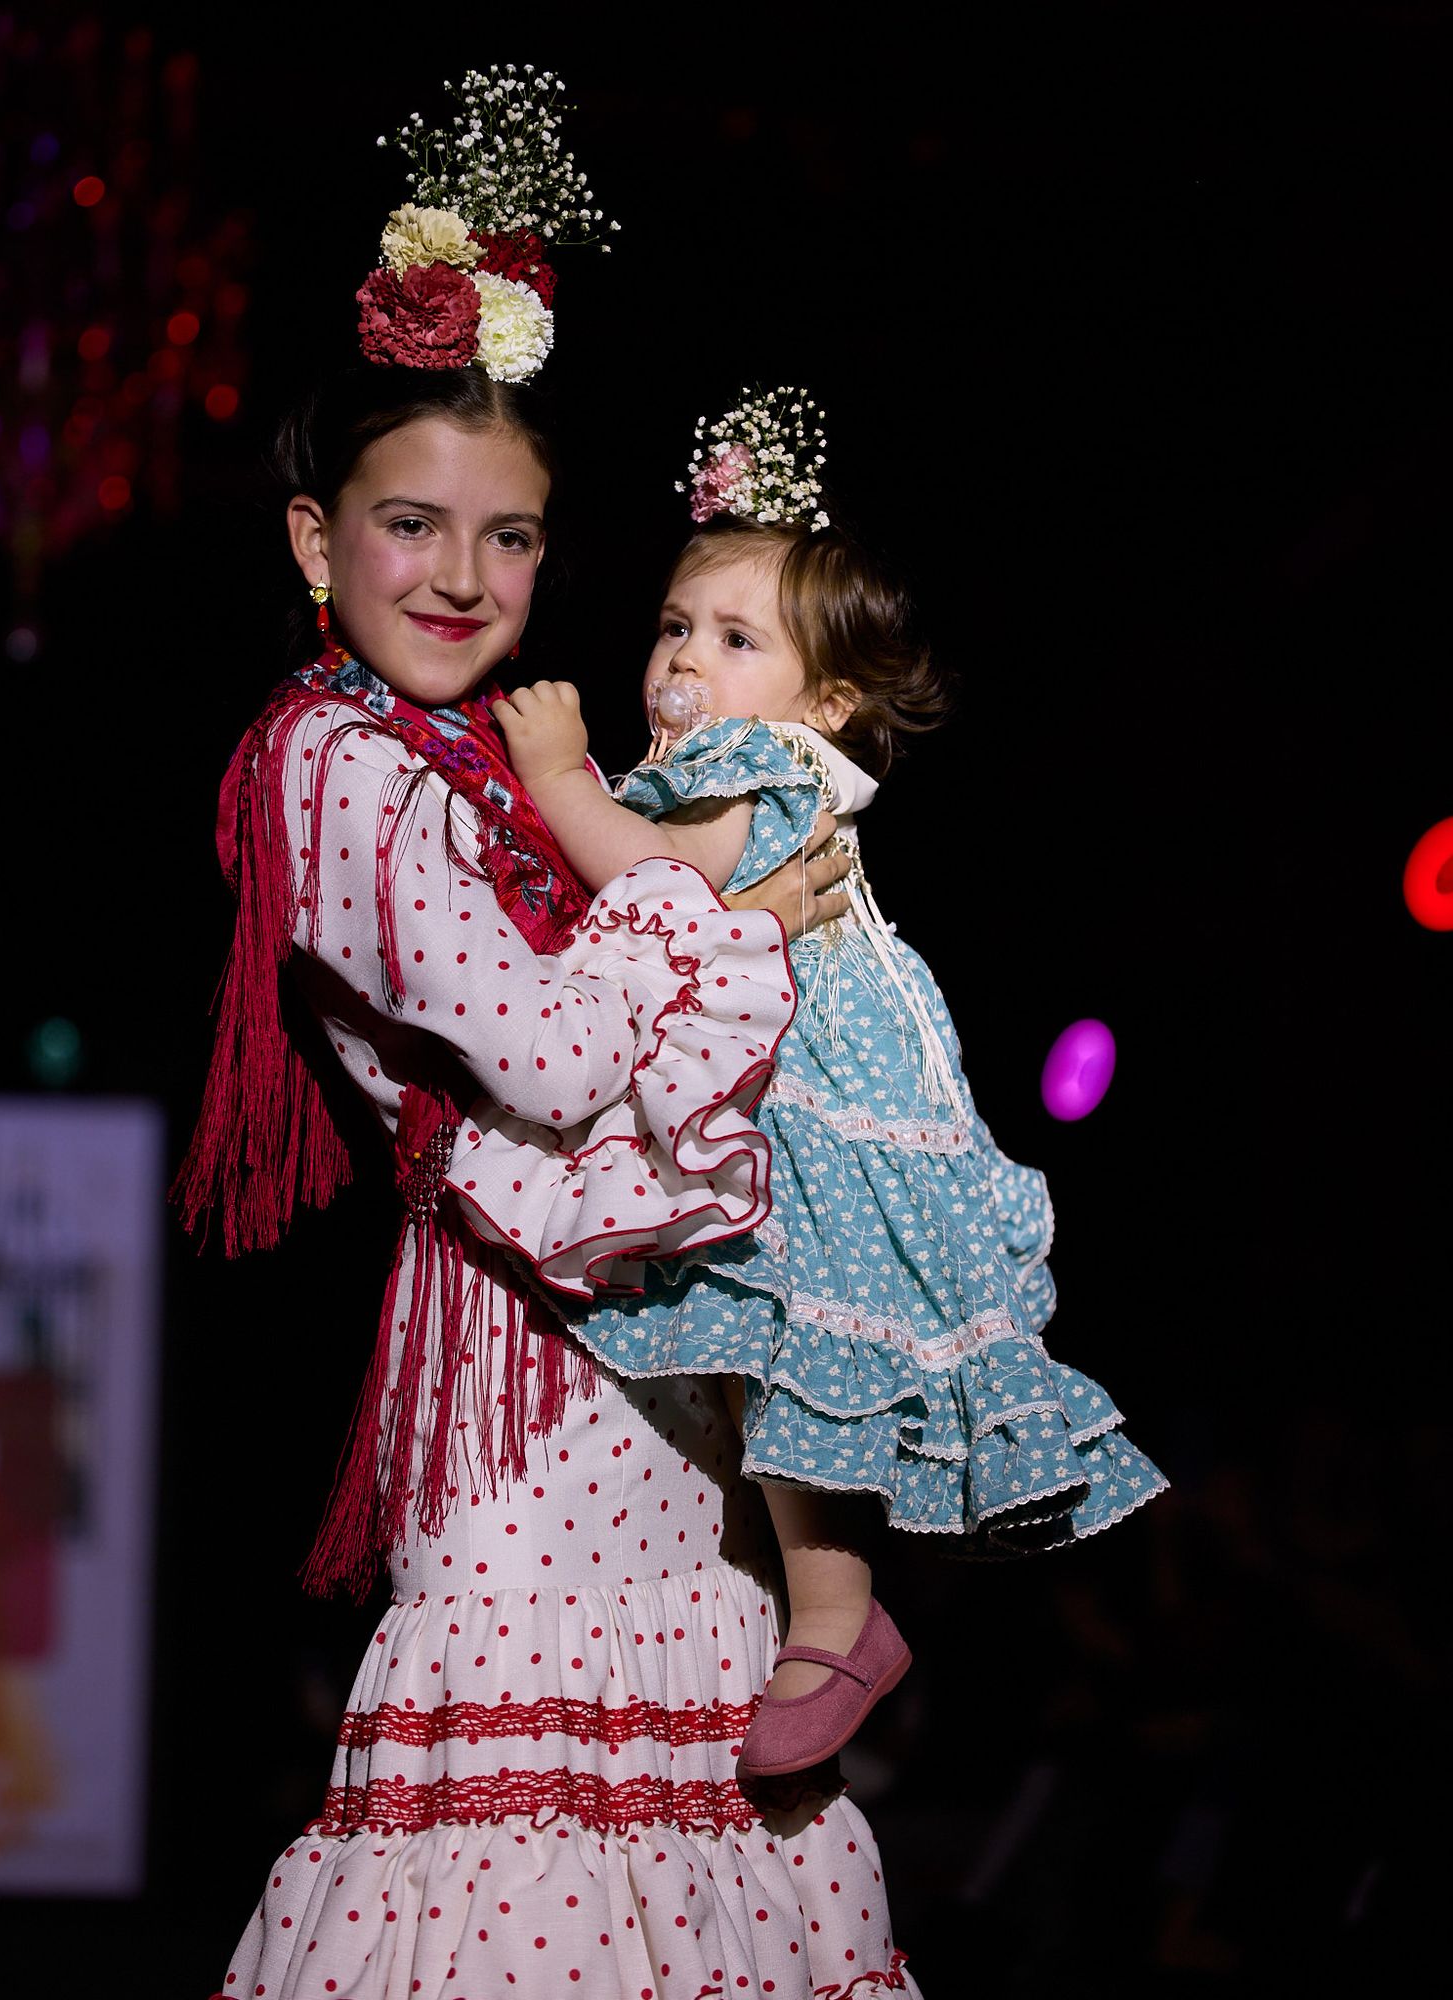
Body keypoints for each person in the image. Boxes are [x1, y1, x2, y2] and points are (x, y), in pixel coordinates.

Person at [185, 74, 922, 2000]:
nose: (458, 578)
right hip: (517, 1369)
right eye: (409, 523)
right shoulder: (331, 760)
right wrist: (737, 919)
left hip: (653, 1351)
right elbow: (534, 1049)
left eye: (507, 540)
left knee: (687, 1853)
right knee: (533, 1879)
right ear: (308, 535)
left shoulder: (499, 762)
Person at [477, 386, 1169, 1783]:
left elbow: (661, 885)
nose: (685, 662)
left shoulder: (763, 767)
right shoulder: (701, 762)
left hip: (809, 1096)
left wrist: (553, 773)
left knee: (809, 1350)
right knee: (780, 1354)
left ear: (828, 701)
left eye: (736, 641)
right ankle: (828, 1613)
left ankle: (839, 1615)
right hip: (778, 1082)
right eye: (676, 626)